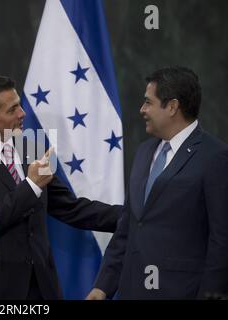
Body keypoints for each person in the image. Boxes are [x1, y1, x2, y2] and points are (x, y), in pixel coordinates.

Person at [0, 74, 122, 300]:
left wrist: (133, 216)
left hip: (43, 285)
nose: (22, 113)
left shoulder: (32, 150)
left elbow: (70, 207)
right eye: (12, 109)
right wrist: (31, 186)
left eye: (19, 105)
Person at [86, 66, 228, 300]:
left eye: (148, 103)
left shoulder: (215, 157)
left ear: (172, 107)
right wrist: (102, 287)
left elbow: (221, 242)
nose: (142, 110)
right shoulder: (144, 151)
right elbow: (128, 227)